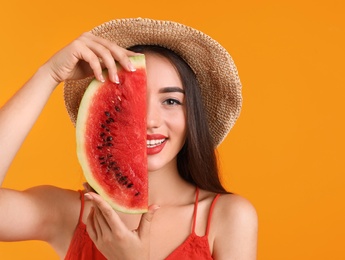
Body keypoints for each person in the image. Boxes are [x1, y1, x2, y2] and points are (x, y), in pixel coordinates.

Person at [0, 18, 258, 259]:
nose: (149, 120)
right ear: (106, 120)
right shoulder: (69, 213)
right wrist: (49, 75)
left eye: (171, 101)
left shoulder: (230, 217)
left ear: (192, 116)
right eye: (127, 102)